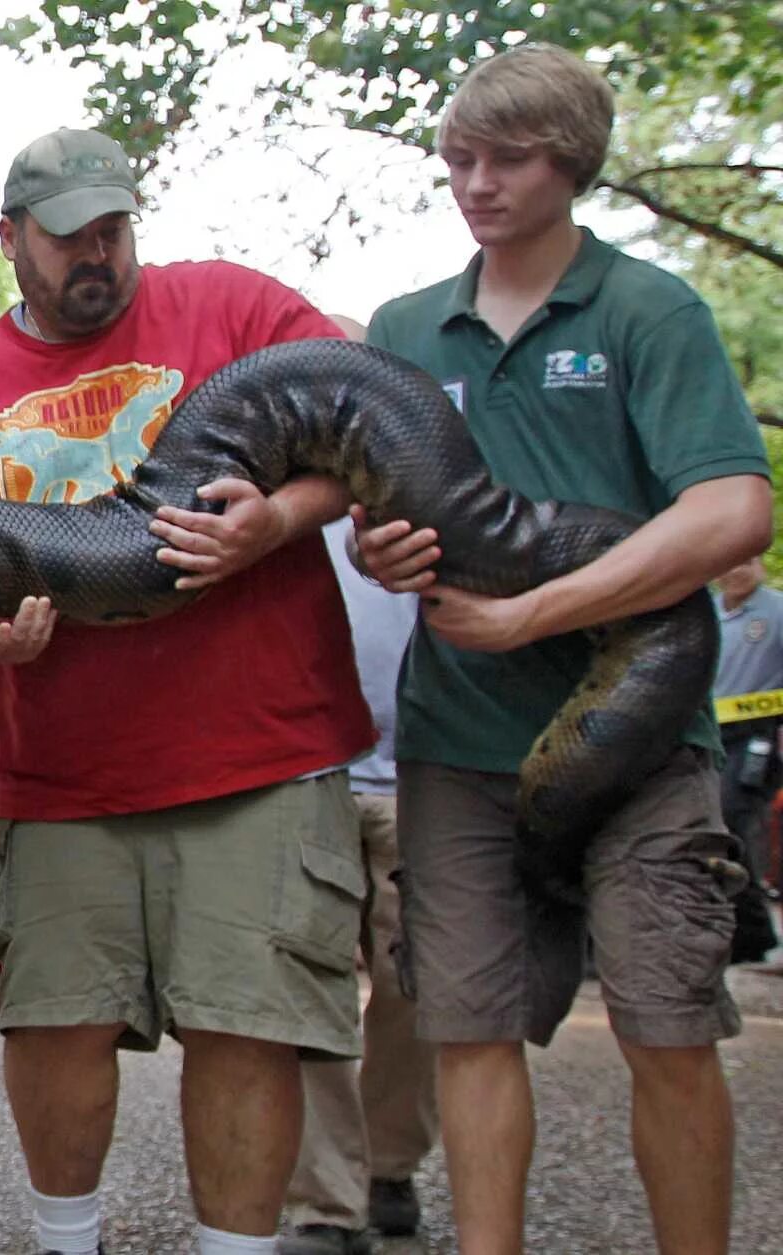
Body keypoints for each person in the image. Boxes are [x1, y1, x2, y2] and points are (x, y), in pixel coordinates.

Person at [0, 126, 374, 1255]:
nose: (98, 254)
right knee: (55, 1024)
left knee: (246, 1027)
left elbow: (367, 418)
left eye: (113, 229)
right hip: (65, 779)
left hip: (258, 759)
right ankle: (69, 1243)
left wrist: (276, 522)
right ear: (10, 239)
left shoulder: (233, 308)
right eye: (69, 237)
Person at [352, 45, 771, 1255]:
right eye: (456, 160)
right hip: (456, 746)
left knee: (665, 1025)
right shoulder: (402, 327)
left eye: (506, 160)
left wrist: (532, 613)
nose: (474, 184)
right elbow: (376, 509)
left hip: (642, 746)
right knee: (466, 1029)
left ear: (572, 164)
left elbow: (730, 510)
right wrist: (383, 548)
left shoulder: (647, 311)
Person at [280, 513, 437, 1255]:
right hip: (310, 771)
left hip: (425, 771)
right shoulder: (281, 500)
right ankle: (326, 1201)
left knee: (417, 984)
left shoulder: (419, 482)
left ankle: (390, 1164)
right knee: (310, 983)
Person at [712, 555, 783, 963]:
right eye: (727, 562)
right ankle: (732, 928)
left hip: (760, 735)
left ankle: (753, 932)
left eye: (745, 561)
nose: (734, 570)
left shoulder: (776, 611)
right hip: (710, 735)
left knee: (735, 819)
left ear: (759, 564)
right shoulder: (708, 613)